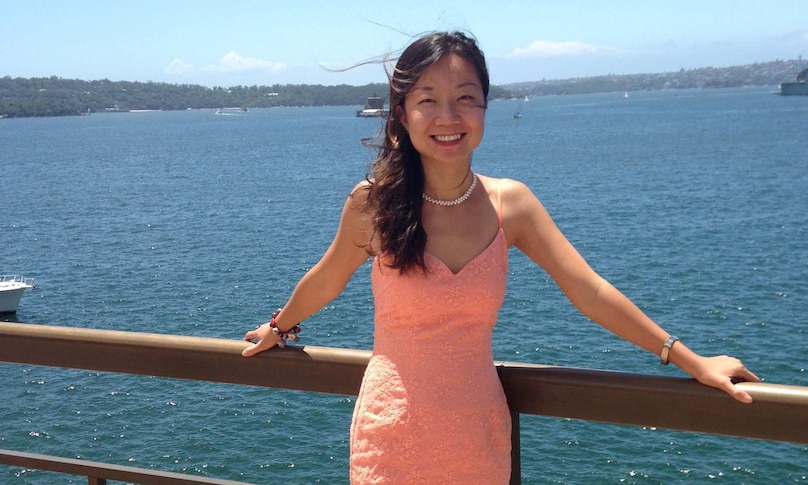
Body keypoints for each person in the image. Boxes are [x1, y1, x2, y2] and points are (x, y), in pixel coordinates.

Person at [242, 31, 760, 484]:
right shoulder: (373, 203)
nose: (448, 117)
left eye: (465, 98)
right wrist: (279, 327)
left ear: (485, 106)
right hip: (392, 432)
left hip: (476, 434)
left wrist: (691, 360)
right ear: (402, 113)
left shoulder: (511, 205)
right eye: (428, 100)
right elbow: (328, 278)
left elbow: (591, 291)